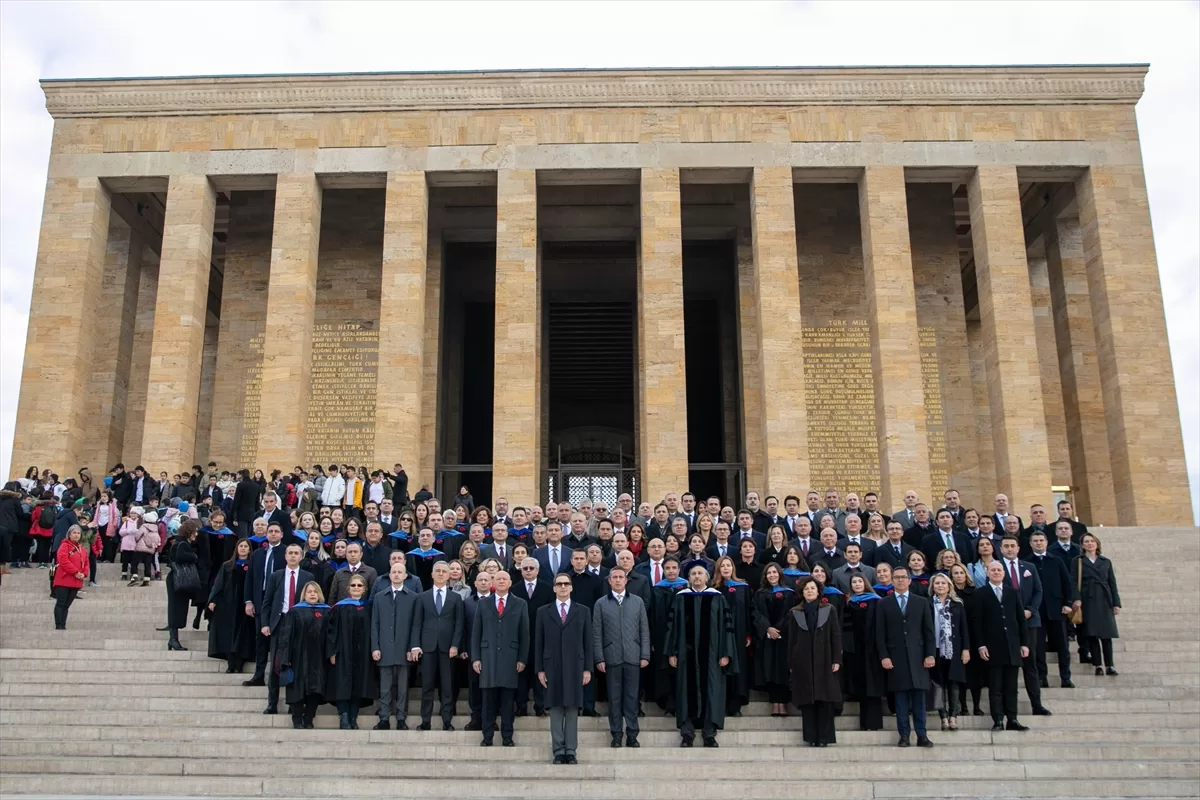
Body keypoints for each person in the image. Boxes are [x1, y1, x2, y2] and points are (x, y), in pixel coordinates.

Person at [664, 564, 736, 748]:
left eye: (700, 574)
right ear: (688, 578)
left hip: (712, 656)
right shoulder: (680, 598)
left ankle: (709, 734)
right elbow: (671, 628)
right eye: (693, 574)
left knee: (711, 691)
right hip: (685, 655)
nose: (696, 576)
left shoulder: (717, 598)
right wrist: (671, 652)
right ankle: (687, 734)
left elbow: (727, 628)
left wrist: (726, 652)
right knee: (685, 691)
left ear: (707, 577)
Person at [536, 571, 593, 765]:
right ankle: (558, 751)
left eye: (566, 584)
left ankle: (571, 751)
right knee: (556, 709)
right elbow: (539, 642)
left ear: (571, 587)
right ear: (553, 588)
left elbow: (588, 642)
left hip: (575, 665)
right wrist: (540, 669)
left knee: (571, 708)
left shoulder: (583, 611)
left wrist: (587, 669)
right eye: (559, 584)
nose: (562, 587)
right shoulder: (543, 611)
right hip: (551, 665)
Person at [875, 565, 936, 747]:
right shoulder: (883, 603)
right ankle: (904, 735)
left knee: (919, 700)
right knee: (900, 700)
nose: (900, 580)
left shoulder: (921, 602)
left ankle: (922, 735)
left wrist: (930, 654)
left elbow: (928, 632)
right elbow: (880, 633)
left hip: (918, 657)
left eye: (904, 577)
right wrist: (884, 656)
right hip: (896, 657)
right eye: (897, 577)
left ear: (909, 580)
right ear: (892, 581)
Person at [592, 567, 650, 748]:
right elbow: (596, 633)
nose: (617, 580)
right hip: (612, 658)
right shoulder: (601, 603)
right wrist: (599, 658)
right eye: (614, 577)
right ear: (609, 581)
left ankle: (632, 734)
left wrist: (645, 654)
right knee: (614, 699)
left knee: (632, 698)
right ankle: (616, 734)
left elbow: (644, 630)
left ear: (626, 581)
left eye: (621, 577)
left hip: (633, 656)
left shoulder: (637, 602)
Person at [471, 570, 529, 747]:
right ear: (492, 583)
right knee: (488, 700)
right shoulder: (483, 604)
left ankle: (507, 737)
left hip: (510, 659)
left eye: (504, 579)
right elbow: (476, 633)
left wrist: (522, 659)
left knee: (507, 701)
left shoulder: (520, 604)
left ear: (510, 582)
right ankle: (487, 737)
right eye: (498, 579)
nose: (501, 581)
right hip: (487, 658)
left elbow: (524, 634)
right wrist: (476, 658)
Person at [970, 560, 1029, 731]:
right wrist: (981, 645)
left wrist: (1024, 643)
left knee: (1011, 688)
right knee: (995, 687)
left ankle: (1013, 719)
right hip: (992, 647)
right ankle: (998, 720)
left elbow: (1020, 620)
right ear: (987, 573)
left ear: (1004, 573)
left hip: (1012, 647)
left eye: (999, 570)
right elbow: (977, 623)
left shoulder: (1012, 592)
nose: (996, 572)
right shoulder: (980, 594)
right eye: (993, 570)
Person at [259, 542, 315, 714]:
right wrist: (265, 624)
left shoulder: (308, 577)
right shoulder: (276, 576)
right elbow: (266, 602)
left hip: (299, 622)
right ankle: (272, 703)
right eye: (289, 553)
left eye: (296, 553)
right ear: (285, 556)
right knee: (276, 663)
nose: (292, 556)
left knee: (297, 662)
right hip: (280, 622)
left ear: (301, 556)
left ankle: (294, 703)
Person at [998, 536, 1051, 716]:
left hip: (1029, 621)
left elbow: (1038, 590)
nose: (1010, 549)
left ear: (1019, 548)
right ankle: (1009, 709)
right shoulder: (997, 569)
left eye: (1013, 546)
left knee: (1031, 664)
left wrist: (1030, 609)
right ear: (1001, 549)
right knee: (1010, 667)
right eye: (1006, 546)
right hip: (1008, 624)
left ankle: (1037, 704)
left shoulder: (1029, 567)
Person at [787, 576, 842, 746]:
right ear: (802, 592)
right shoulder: (795, 612)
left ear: (818, 591)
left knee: (824, 699)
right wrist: (791, 663)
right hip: (803, 661)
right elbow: (791, 640)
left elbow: (836, 635)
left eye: (812, 588)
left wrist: (836, 659)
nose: (810, 591)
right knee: (808, 700)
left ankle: (824, 738)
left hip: (824, 659)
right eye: (806, 589)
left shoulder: (829, 609)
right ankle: (811, 737)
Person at [413, 561, 465, 731]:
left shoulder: (456, 598)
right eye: (438, 571)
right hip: (427, 648)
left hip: (448, 648)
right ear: (432, 574)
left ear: (449, 575)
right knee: (427, 685)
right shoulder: (422, 597)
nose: (441, 574)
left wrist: (455, 645)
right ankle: (425, 721)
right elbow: (417, 624)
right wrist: (415, 645)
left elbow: (459, 624)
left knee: (447, 686)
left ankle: (447, 720)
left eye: (444, 571)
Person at [371, 561, 420, 730]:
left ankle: (401, 718)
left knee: (402, 687)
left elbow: (415, 624)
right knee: (384, 686)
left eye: (400, 572)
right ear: (389, 575)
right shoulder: (379, 597)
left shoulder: (413, 597)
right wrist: (375, 647)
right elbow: (375, 624)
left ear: (406, 576)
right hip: (384, 647)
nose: (397, 574)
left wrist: (412, 647)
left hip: (404, 648)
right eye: (394, 572)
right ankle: (384, 717)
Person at [273, 581, 329, 729]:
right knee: (297, 689)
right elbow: (286, 636)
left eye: (315, 591)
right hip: (298, 656)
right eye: (309, 591)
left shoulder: (327, 611)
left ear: (319, 594)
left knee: (315, 689)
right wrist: (285, 658)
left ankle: (309, 717)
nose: (312, 594)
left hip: (319, 657)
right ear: (304, 594)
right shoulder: (295, 612)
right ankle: (297, 719)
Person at [325, 573, 375, 729]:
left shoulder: (369, 607)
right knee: (342, 683)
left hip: (363, 652)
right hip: (343, 652)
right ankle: (344, 716)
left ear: (364, 589)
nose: (356, 588)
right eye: (353, 585)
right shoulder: (339, 607)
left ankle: (353, 716)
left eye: (359, 585)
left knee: (359, 683)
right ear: (348, 588)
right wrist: (332, 652)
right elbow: (331, 632)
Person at [1027, 530, 1076, 689]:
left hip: (1057, 610)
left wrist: (1068, 603)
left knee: (1062, 646)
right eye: (1035, 541)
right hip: (1037, 612)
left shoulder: (1057, 560)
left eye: (1041, 540)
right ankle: (1042, 677)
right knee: (1039, 647)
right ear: (1030, 543)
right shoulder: (1026, 562)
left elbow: (1067, 583)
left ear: (1047, 542)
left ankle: (1065, 677)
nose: (1039, 543)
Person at [1072, 532, 1121, 676]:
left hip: (1104, 599)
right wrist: (1077, 598)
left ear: (1096, 544)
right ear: (1082, 545)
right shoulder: (1078, 561)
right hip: (1088, 599)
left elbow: (1112, 583)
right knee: (1092, 634)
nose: (1089, 544)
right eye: (1086, 541)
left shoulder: (1106, 561)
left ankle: (1110, 665)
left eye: (1092, 541)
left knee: (1107, 635)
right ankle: (1098, 664)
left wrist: (1116, 603)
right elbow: (1074, 581)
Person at [206, 538, 257, 673]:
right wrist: (213, 600)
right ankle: (231, 663)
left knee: (243, 635)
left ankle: (239, 663)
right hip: (228, 604)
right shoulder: (227, 566)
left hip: (245, 605)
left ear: (249, 549)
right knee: (229, 634)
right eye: (241, 546)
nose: (243, 548)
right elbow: (219, 585)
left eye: (246, 546)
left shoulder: (253, 566)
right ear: (236, 548)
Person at [842, 574, 886, 731]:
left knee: (873, 685)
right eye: (854, 582)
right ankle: (864, 722)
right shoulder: (849, 602)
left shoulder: (875, 600)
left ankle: (874, 723)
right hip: (856, 649)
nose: (857, 584)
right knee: (861, 684)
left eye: (860, 581)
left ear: (865, 583)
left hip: (873, 649)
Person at [928, 573, 970, 731]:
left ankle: (953, 716)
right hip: (936, 650)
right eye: (937, 583)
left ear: (949, 586)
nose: (940, 586)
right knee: (939, 685)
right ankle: (943, 716)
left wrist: (966, 649)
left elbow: (964, 628)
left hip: (954, 649)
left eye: (943, 583)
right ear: (932, 586)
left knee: (953, 684)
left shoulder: (957, 604)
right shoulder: (928, 604)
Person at [711, 556, 752, 717]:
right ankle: (721, 703)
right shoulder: (713, 589)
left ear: (733, 568)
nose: (726, 568)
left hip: (739, 634)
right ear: (718, 569)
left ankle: (735, 705)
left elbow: (749, 611)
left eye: (729, 565)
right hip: (719, 635)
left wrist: (748, 633)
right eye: (723, 566)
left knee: (738, 668)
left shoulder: (743, 587)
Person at [513, 557, 552, 717]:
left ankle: (540, 705)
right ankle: (521, 705)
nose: (528, 571)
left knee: (540, 671)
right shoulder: (514, 589)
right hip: (520, 637)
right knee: (521, 672)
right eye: (525, 568)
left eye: (531, 568)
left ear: (537, 570)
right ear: (521, 571)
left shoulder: (547, 588)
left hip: (541, 636)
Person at [754, 562, 795, 717]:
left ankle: (783, 704)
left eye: (774, 572)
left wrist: (778, 629)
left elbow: (790, 613)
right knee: (770, 669)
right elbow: (756, 613)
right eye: (769, 573)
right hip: (768, 638)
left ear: (780, 574)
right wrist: (767, 628)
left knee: (783, 669)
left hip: (784, 637)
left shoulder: (789, 593)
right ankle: (774, 703)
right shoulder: (759, 593)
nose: (772, 575)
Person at [165, 520, 201, 652]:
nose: (196, 534)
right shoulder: (182, 543)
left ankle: (173, 639)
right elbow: (181, 556)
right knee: (175, 609)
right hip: (178, 579)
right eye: (195, 531)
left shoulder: (179, 542)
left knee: (177, 608)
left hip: (176, 579)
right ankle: (173, 639)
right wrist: (194, 556)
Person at [51, 525, 88, 630]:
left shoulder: (82, 549)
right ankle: (59, 625)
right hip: (64, 579)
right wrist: (75, 572)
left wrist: (84, 574)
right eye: (74, 533)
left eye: (78, 533)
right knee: (61, 603)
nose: (76, 535)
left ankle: (63, 624)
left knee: (66, 605)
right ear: (69, 534)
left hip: (76, 581)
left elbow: (86, 564)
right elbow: (63, 561)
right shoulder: (64, 546)